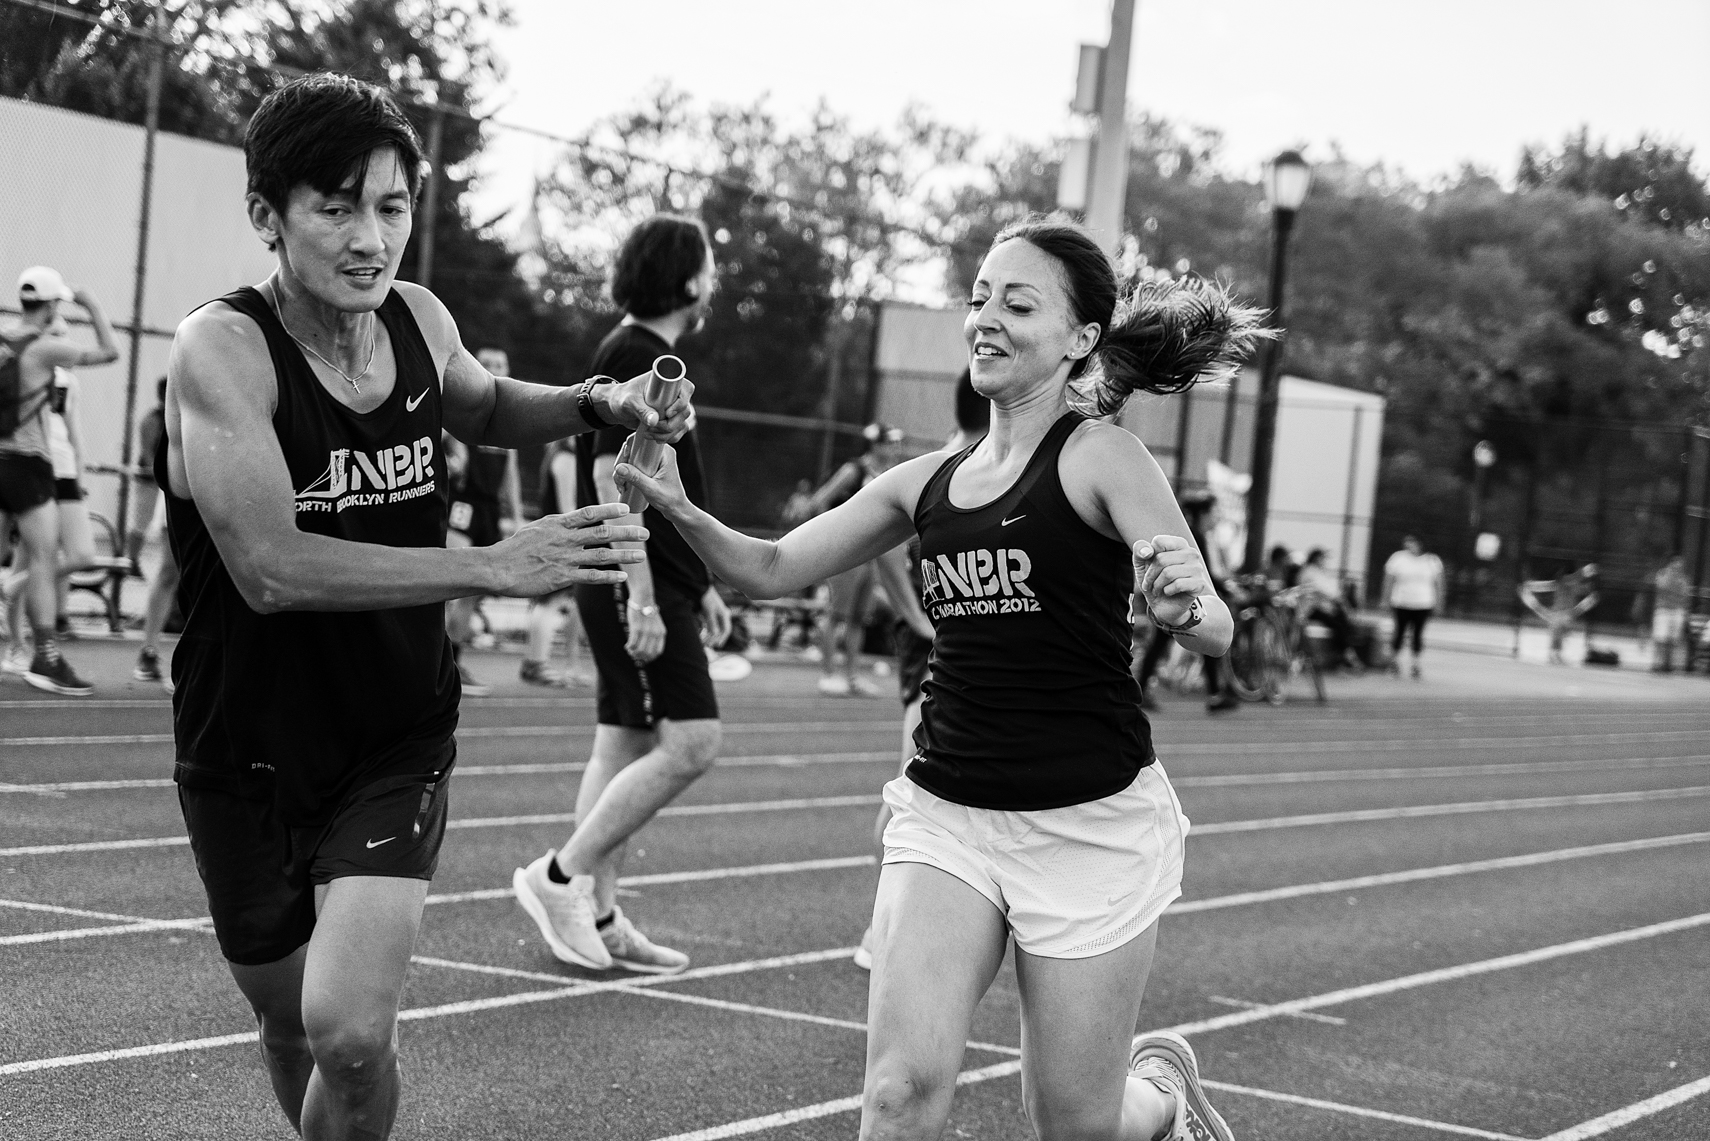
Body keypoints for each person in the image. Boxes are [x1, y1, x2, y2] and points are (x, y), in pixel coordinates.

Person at [618, 214, 1267, 1141]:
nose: (985, 319)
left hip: (1087, 823)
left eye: (1018, 302)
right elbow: (765, 568)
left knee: (1076, 1125)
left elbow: (1215, 625)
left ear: (1082, 338)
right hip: (948, 814)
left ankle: (1160, 1096)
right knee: (896, 1094)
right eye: (978, 299)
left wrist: (1180, 608)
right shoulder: (923, 481)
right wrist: (673, 501)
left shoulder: (1102, 457)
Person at [162, 74, 691, 1141]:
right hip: (245, 744)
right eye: (338, 206)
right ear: (266, 214)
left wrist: (599, 402)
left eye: (394, 207)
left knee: (350, 1031)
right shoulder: (221, 350)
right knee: (293, 1030)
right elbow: (271, 567)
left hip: (393, 734)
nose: (372, 238)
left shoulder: (416, 317)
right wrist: (491, 566)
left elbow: (487, 401)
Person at [512, 213, 728, 976]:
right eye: (710, 265)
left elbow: (655, 482)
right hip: (631, 577)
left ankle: (598, 912)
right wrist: (643, 591)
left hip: (643, 574)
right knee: (693, 740)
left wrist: (693, 582)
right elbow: (613, 474)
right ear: (689, 278)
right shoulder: (644, 353)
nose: (715, 280)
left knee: (624, 738)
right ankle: (561, 878)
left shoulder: (629, 349)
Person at [853, 371, 986, 971]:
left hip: (960, 652)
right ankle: (882, 932)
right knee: (914, 786)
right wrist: (916, 619)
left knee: (925, 784)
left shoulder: (982, 467)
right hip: (936, 654)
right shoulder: (949, 471)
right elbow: (877, 546)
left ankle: (893, 929)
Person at [0, 266, 119, 694]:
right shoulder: (44, 349)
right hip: (27, 464)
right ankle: (44, 658)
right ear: (51, 305)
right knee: (44, 559)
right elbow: (109, 352)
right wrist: (91, 305)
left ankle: (18, 637)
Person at [441, 345, 527, 697]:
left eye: (499, 364)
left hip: (489, 510)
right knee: (449, 586)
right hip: (462, 506)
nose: (492, 368)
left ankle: (454, 664)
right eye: (486, 363)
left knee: (472, 595)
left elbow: (511, 473)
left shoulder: (510, 419)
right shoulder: (461, 408)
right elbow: (434, 442)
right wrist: (451, 462)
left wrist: (516, 514)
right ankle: (434, 666)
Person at [807, 421, 908, 696]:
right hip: (846, 554)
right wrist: (831, 539)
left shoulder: (887, 473)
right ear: (874, 445)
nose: (894, 448)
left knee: (858, 619)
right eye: (889, 443)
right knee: (836, 614)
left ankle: (852, 677)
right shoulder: (855, 469)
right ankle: (828, 675)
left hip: (871, 555)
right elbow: (820, 500)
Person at [1133, 489, 1238, 713]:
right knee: (1199, 642)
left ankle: (1213, 693)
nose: (1217, 517)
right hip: (1177, 600)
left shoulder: (1199, 534)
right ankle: (1213, 694)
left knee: (1179, 644)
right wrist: (1226, 587)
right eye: (1214, 511)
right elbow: (1203, 575)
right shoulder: (1194, 536)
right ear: (1203, 513)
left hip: (1175, 598)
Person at [520, 434, 590, 686]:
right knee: (551, 601)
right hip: (561, 541)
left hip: (562, 539)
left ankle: (571, 665)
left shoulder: (565, 458)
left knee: (573, 604)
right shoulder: (564, 460)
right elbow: (568, 508)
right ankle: (536, 663)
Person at [132, 378, 179, 688]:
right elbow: (151, 458)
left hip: (223, 495)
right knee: (169, 571)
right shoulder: (156, 419)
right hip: (176, 494)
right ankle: (148, 652)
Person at [1382, 533, 1443, 679]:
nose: (1409, 545)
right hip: (1401, 602)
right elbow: (1389, 579)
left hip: (1423, 603)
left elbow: (1439, 583)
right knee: (1399, 632)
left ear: (1420, 543)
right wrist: (1385, 598)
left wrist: (1439, 602)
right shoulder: (1398, 558)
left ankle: (1415, 664)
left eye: (1412, 542)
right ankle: (1394, 662)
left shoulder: (1432, 560)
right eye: (1407, 542)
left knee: (1417, 634)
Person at [1519, 564, 1599, 666]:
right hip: (1559, 615)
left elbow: (1577, 583)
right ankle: (1555, 654)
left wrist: (1586, 577)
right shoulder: (1564, 583)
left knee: (1558, 631)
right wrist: (1585, 572)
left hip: (1563, 615)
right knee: (1557, 631)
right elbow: (1546, 586)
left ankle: (1555, 654)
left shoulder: (1571, 584)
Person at [1644, 555, 1691, 673]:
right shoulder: (1663, 574)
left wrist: (1676, 589)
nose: (1678, 568)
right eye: (1676, 565)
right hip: (1663, 610)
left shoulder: (1683, 578)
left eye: (1680, 566)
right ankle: (1657, 664)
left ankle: (1668, 665)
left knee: (1673, 640)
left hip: (1677, 611)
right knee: (1660, 639)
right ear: (1670, 564)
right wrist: (1672, 579)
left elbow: (1684, 594)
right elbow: (1663, 587)